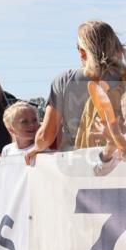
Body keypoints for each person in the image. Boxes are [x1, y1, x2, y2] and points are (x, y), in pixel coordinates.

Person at [26, 20, 126, 164]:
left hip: (78, 164)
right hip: (120, 163)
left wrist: (36, 147)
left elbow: (45, 137)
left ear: (82, 52)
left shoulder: (65, 80)